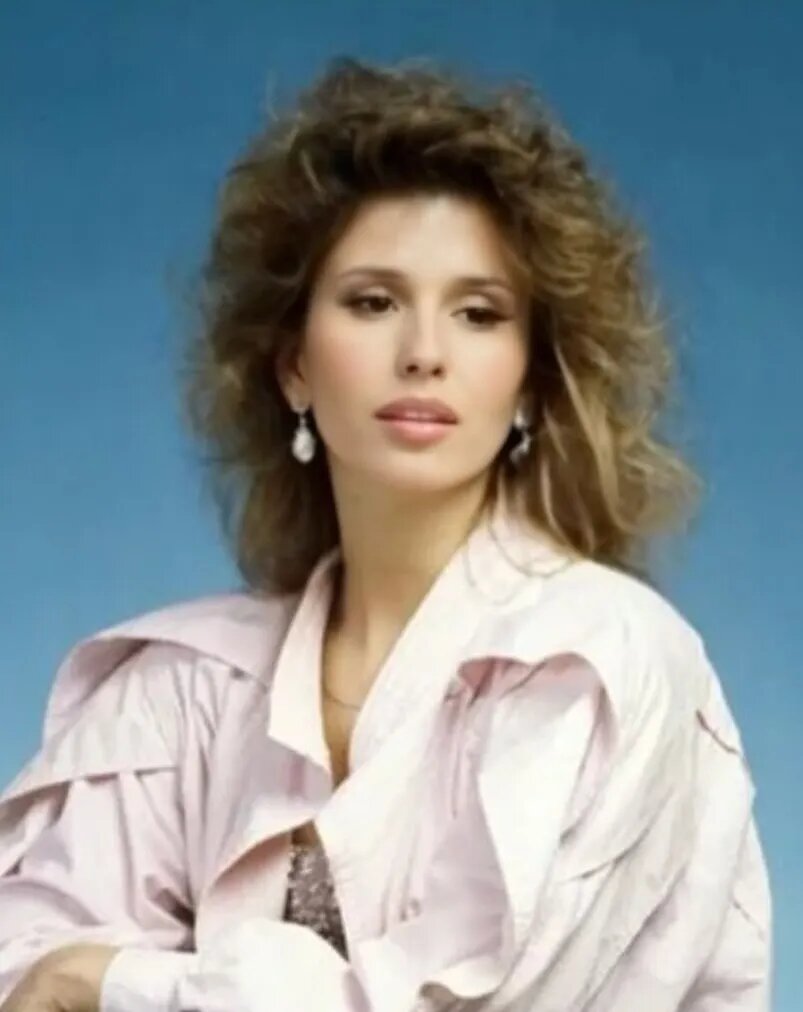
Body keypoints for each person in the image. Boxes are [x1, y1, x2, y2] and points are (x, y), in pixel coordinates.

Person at [0, 55, 771, 1012]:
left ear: (530, 383)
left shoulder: (601, 664)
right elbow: (25, 964)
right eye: (373, 302)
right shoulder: (182, 688)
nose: (423, 353)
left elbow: (455, 1000)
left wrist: (115, 980)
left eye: (478, 314)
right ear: (292, 365)